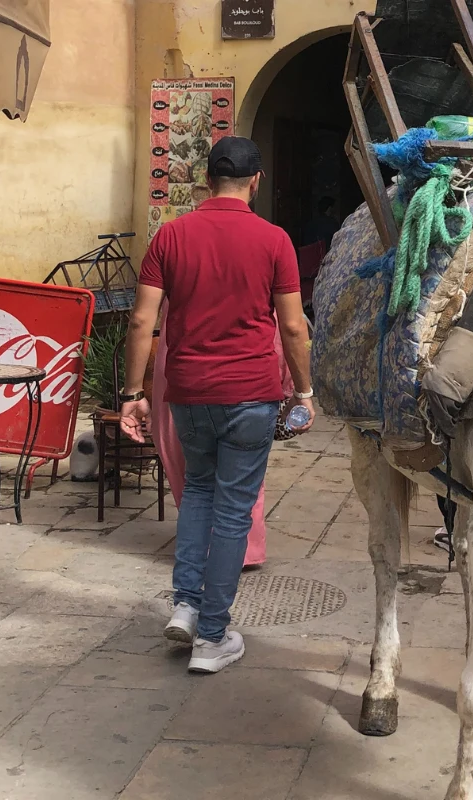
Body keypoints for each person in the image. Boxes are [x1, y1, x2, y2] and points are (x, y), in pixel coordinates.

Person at [120, 136, 315, 674]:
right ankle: (212, 634)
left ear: (206, 180)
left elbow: (142, 321)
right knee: (233, 509)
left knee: (199, 494)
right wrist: (303, 392)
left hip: (187, 391)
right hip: (251, 392)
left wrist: (133, 394)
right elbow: (294, 326)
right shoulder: (275, 240)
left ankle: (185, 605)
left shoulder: (171, 236)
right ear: (257, 182)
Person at [150, 300, 294, 570]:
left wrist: (132, 391)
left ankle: (199, 553)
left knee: (193, 478)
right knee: (243, 476)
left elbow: (141, 319)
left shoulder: (170, 256)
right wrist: (292, 385)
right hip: (247, 379)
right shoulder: (265, 258)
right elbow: (286, 326)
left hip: (183, 375)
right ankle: (241, 551)